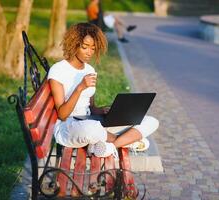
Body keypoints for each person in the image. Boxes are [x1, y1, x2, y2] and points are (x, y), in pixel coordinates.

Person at [48, 23, 159, 158]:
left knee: (151, 121)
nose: (89, 52)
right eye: (85, 47)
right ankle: (130, 141)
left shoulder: (89, 70)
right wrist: (80, 88)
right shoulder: (58, 70)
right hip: (70, 127)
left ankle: (110, 146)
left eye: (93, 48)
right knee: (92, 128)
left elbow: (92, 108)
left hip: (91, 120)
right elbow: (62, 115)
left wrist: (105, 111)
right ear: (74, 44)